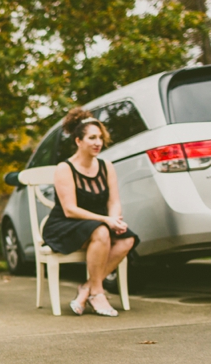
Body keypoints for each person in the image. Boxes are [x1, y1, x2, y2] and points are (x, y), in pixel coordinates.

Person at [42, 107, 139, 317]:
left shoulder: (106, 166)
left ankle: (86, 288)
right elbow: (70, 210)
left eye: (100, 138)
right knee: (102, 231)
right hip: (66, 224)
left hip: (98, 223)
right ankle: (97, 292)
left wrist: (114, 219)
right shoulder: (64, 168)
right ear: (78, 141)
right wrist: (107, 220)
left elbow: (114, 201)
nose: (98, 142)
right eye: (92, 138)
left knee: (127, 239)